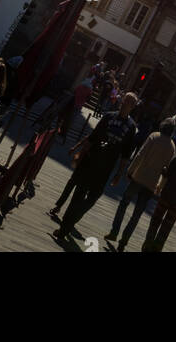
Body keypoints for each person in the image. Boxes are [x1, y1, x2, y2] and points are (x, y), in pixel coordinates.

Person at [51, 92, 139, 243]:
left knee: (92, 198)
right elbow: (92, 137)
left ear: (132, 107)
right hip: (90, 161)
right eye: (125, 101)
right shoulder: (108, 117)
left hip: (105, 169)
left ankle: (72, 219)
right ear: (121, 101)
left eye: (129, 103)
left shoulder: (131, 128)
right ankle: (64, 228)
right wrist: (80, 153)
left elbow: (126, 154)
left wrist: (119, 174)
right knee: (78, 194)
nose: (125, 104)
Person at [105, 116, 176, 252]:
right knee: (136, 215)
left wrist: (130, 170)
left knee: (124, 203)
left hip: (138, 177)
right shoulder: (172, 146)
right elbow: (167, 171)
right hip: (151, 184)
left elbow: (140, 154)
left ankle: (114, 231)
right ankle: (124, 241)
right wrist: (160, 187)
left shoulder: (154, 136)